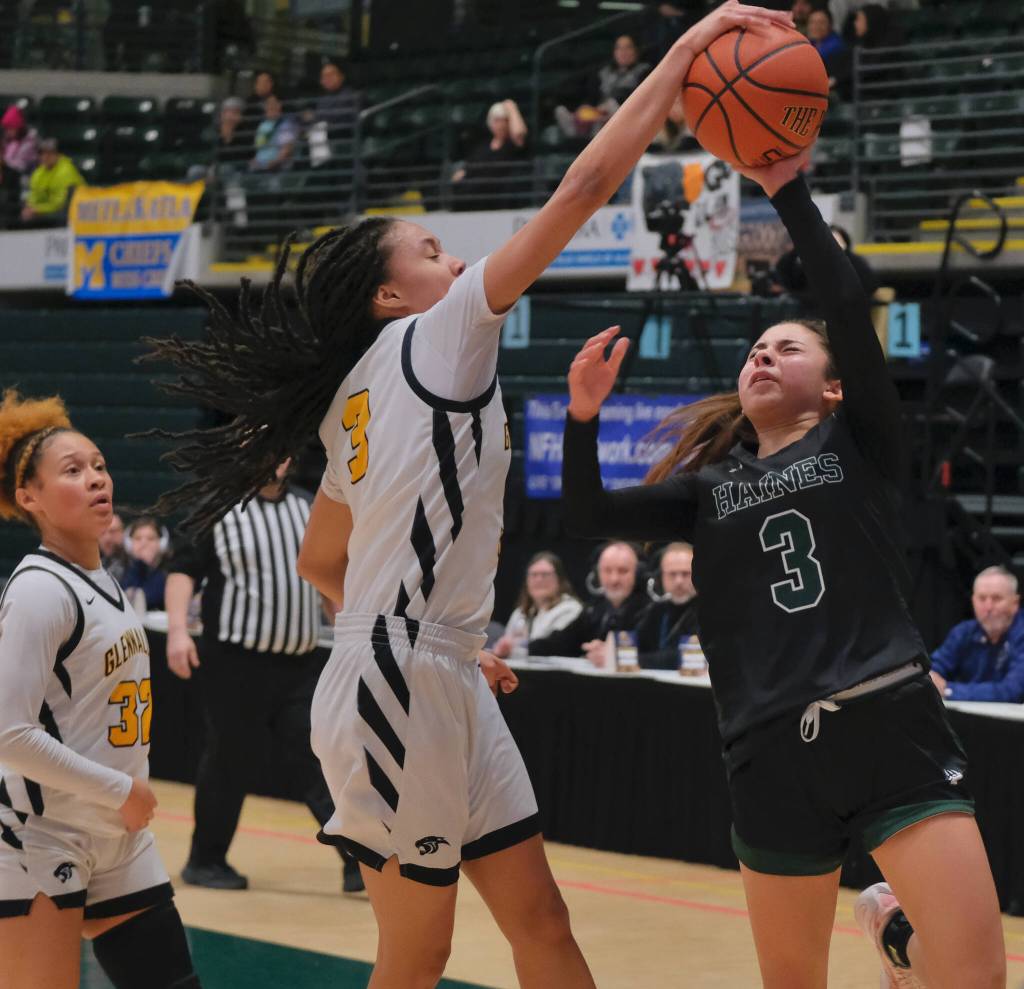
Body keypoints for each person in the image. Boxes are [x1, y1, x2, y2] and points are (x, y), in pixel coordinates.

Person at [142, 5, 795, 986]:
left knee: (542, 921)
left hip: (425, 665)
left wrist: (432, 630)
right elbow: (582, 186)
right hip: (398, 676)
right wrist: (683, 53)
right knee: (419, 952)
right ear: (392, 294)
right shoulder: (437, 336)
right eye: (432, 251)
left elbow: (324, 562)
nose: (453, 259)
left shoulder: (355, 398)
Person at [559, 143, 1005, 987]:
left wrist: (785, 189)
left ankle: (906, 946)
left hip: (887, 721)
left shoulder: (859, 441)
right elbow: (586, 517)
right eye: (756, 348)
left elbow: (841, 292)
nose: (763, 355)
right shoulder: (708, 489)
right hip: (769, 749)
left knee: (979, 978)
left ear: (834, 387)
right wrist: (583, 419)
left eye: (788, 349)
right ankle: (902, 943)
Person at [0, 390, 201, 989]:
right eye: (72, 471)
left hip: (115, 834)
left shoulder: (102, 580)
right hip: (37, 831)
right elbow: (8, 733)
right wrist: (120, 788)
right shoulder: (38, 590)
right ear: (27, 497)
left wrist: (118, 799)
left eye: (98, 465)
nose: (95, 479)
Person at [165, 460, 364, 894]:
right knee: (228, 760)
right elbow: (183, 570)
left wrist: (351, 633)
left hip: (299, 663)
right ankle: (205, 860)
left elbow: (328, 576)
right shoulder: (218, 507)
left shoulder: (309, 507)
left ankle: (356, 861)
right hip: (235, 662)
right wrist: (178, 631)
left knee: (324, 757)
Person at [529, 542, 649, 664]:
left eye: (623, 571)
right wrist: (521, 647)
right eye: (607, 571)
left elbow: (663, 656)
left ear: (638, 574)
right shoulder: (596, 608)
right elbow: (562, 643)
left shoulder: (650, 608)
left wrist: (617, 657)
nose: (614, 579)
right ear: (597, 574)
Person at [929, 565, 1024, 704]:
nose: (988, 607)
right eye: (982, 598)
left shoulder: (1020, 634)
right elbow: (932, 670)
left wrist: (948, 689)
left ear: (1015, 603)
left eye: (996, 598)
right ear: (973, 601)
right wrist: (931, 679)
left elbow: (1012, 691)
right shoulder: (963, 632)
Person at [555, 35, 651, 140]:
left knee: (611, 105)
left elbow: (640, 97)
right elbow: (593, 95)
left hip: (625, 114)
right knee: (561, 111)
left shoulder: (644, 71)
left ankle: (598, 141)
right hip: (599, 114)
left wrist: (611, 104)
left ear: (636, 51)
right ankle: (578, 140)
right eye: (619, 48)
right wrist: (587, 106)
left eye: (628, 47)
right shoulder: (604, 72)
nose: (623, 52)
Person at [492, 552, 582, 659]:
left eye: (545, 575)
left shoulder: (570, 609)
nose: (539, 580)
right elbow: (506, 643)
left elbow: (551, 646)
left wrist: (516, 647)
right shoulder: (520, 612)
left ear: (559, 579)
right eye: (534, 575)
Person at [452, 100, 529, 211]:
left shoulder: (511, 145)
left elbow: (519, 133)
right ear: (490, 123)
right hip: (475, 200)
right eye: (497, 120)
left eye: (505, 121)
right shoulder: (481, 147)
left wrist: (512, 108)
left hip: (501, 198)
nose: (501, 124)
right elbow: (467, 169)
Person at [635, 542, 699, 670]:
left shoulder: (710, 611)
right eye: (672, 574)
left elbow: (686, 658)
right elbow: (633, 645)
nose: (678, 581)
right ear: (660, 578)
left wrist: (633, 659)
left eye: (686, 574)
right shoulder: (655, 609)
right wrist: (609, 650)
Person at [21, 138, 84, 228]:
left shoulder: (66, 171)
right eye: (42, 153)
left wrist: (38, 209)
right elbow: (34, 197)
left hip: (73, 213)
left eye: (50, 153)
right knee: (24, 217)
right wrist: (30, 208)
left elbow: (61, 204)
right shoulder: (38, 173)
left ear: (58, 155)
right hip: (49, 212)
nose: (45, 157)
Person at [1, 105, 38, 228]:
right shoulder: (9, 141)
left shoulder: (30, 140)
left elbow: (18, 164)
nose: (8, 132)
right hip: (10, 179)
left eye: (11, 128)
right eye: (6, 129)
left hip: (27, 179)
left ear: (19, 127)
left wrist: (3, 161)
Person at [121, 517, 168, 613]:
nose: (144, 543)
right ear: (129, 544)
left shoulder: (169, 570)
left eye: (151, 539)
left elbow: (152, 598)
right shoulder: (121, 570)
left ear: (162, 544)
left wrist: (143, 563)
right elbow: (126, 599)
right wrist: (139, 564)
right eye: (138, 538)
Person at [249, 95, 300, 173]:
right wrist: (254, 161)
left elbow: (287, 148)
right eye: (268, 104)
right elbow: (260, 148)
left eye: (273, 104)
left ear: (279, 105)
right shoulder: (262, 125)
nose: (270, 107)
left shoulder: (286, 124)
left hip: (277, 169)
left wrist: (275, 162)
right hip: (259, 168)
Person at [98, 509, 128, 584]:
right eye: (102, 532)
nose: (107, 538)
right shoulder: (87, 568)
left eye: (113, 531)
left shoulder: (138, 569)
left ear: (123, 532)